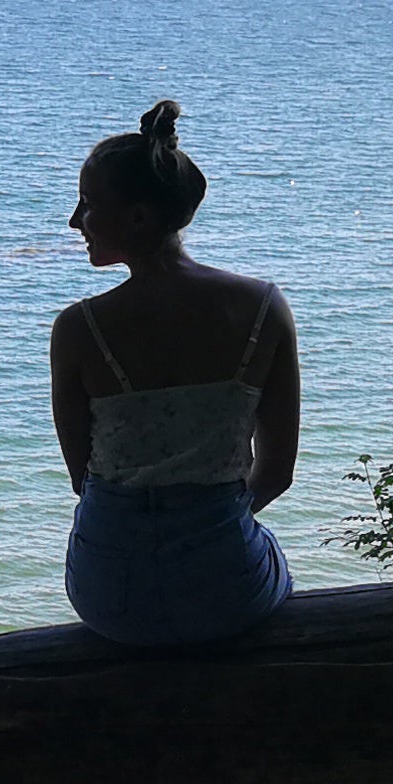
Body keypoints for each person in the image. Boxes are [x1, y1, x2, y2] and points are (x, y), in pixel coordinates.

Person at [52, 98, 299, 679]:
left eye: (88, 206)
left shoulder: (79, 329)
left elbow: (82, 479)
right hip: (226, 590)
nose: (73, 221)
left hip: (109, 597)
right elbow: (278, 472)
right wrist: (210, 519)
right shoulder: (264, 308)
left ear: (138, 218)